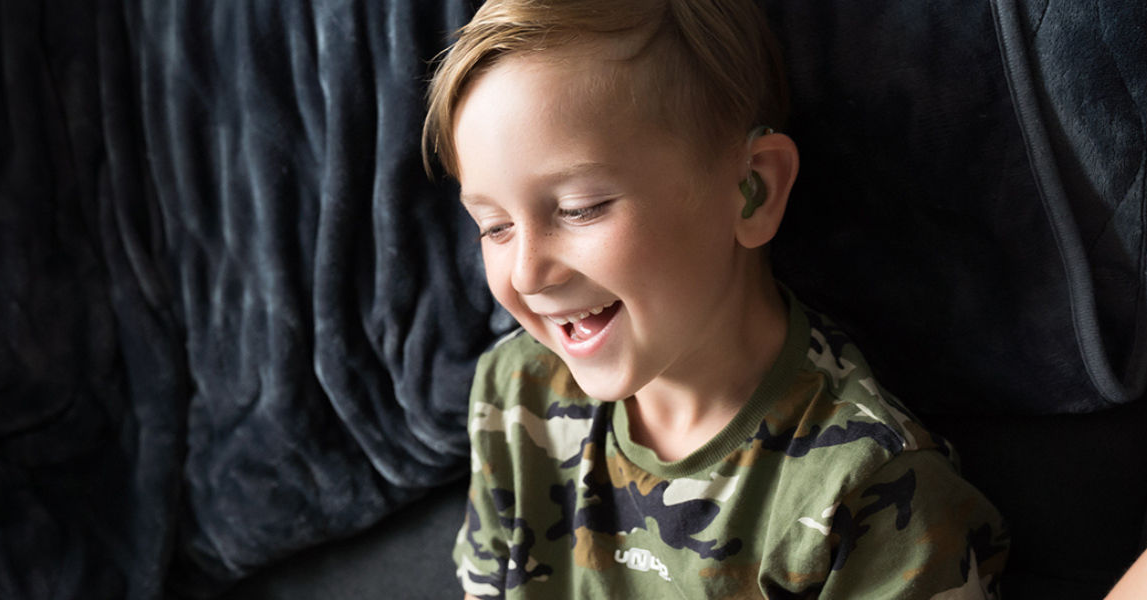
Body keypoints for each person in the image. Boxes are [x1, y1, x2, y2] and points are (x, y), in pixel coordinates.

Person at [422, 0, 1010, 597]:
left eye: (580, 209)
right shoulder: (512, 391)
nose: (526, 273)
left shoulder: (870, 492)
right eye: (494, 226)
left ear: (752, 189)